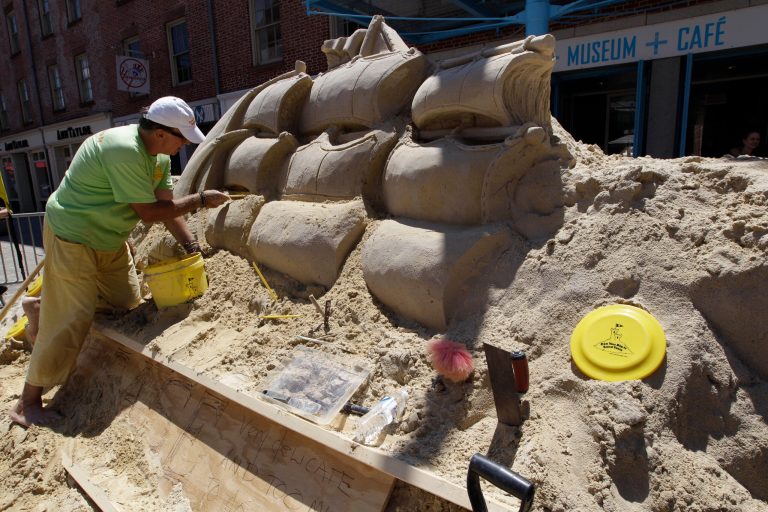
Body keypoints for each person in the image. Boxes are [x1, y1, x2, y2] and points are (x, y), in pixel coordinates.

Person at [9, 96, 230, 427]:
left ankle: (44, 305)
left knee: (125, 302)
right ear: (160, 133)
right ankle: (27, 402)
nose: (184, 144)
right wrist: (200, 200)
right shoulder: (124, 149)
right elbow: (151, 214)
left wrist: (192, 245)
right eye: (181, 137)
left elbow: (166, 207)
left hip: (108, 237)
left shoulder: (159, 159)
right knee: (72, 317)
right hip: (74, 235)